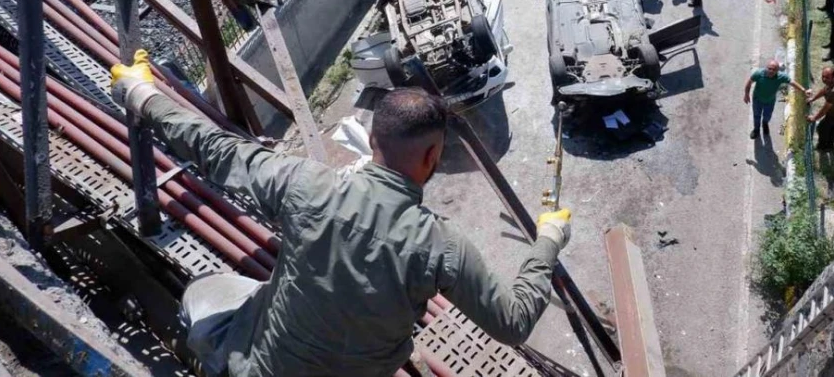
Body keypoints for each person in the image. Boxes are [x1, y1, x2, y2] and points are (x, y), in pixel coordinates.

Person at [106, 59, 575, 377]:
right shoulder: (441, 246)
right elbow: (512, 322)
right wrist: (548, 239)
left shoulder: (307, 185)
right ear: (433, 156)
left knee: (204, 293)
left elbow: (216, 149)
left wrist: (141, 92)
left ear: (372, 140)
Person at [744, 60, 808, 140]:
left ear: (777, 70)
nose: (771, 71)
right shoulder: (759, 74)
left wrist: (803, 90)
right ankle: (756, 130)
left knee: (767, 116)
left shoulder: (781, 77)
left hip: (770, 102)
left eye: (774, 69)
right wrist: (746, 94)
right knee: (757, 115)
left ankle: (765, 124)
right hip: (757, 100)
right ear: (766, 68)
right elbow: (749, 82)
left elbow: (791, 82)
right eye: (769, 68)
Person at [807, 67, 834, 151]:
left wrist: (814, 118)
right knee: (833, 126)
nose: (824, 79)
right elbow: (824, 90)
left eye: (827, 77)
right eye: (823, 76)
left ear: (833, 77)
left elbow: (825, 109)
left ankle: (822, 146)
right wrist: (813, 99)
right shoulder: (833, 80)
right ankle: (830, 145)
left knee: (822, 128)